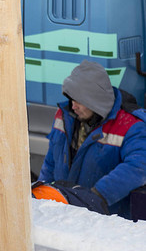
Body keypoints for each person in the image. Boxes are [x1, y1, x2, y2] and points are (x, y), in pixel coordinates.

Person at [34, 60, 146, 220]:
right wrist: (41, 193)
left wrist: (97, 197)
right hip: (64, 213)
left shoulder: (131, 125)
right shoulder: (64, 116)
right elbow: (51, 160)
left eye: (78, 100)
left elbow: (138, 167)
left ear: (95, 100)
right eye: (71, 99)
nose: (73, 106)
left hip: (106, 221)